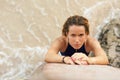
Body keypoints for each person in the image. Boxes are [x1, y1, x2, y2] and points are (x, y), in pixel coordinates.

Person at [45, 15, 109, 65]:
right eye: (73, 35)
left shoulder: (91, 42)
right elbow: (48, 56)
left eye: (81, 35)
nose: (77, 40)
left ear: (86, 34)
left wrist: (88, 59)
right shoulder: (61, 41)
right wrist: (65, 59)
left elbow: (104, 59)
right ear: (67, 34)